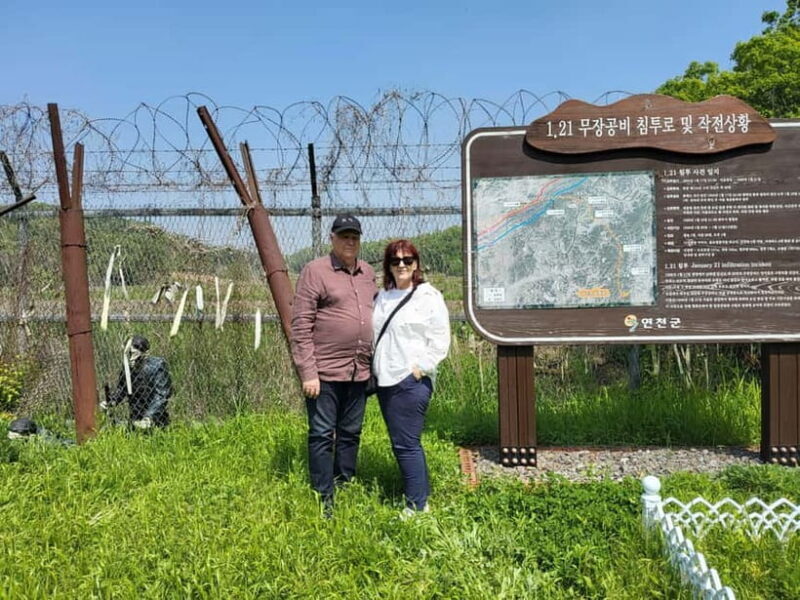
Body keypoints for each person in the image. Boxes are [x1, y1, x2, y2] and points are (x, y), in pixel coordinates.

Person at [290, 214, 377, 516]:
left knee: (351, 432)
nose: (350, 241)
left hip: (358, 369)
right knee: (322, 433)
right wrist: (308, 372)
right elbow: (301, 325)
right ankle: (323, 496)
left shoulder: (368, 273)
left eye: (354, 236)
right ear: (332, 238)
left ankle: (345, 483)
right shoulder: (315, 271)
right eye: (344, 236)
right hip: (324, 372)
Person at [372, 239, 450, 517]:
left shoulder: (428, 296)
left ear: (416, 264)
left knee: (407, 444)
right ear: (388, 266)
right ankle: (418, 496)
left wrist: (421, 368)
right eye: (396, 261)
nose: (402, 265)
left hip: (410, 380)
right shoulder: (383, 296)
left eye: (408, 260)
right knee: (400, 441)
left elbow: (440, 338)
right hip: (385, 380)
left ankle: (417, 505)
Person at [101, 335, 173, 429]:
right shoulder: (127, 368)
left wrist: (149, 417)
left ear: (145, 353)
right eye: (128, 354)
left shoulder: (157, 366)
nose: (131, 358)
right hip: (135, 417)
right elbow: (122, 389)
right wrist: (111, 401)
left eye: (133, 353)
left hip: (156, 418)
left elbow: (161, 395)